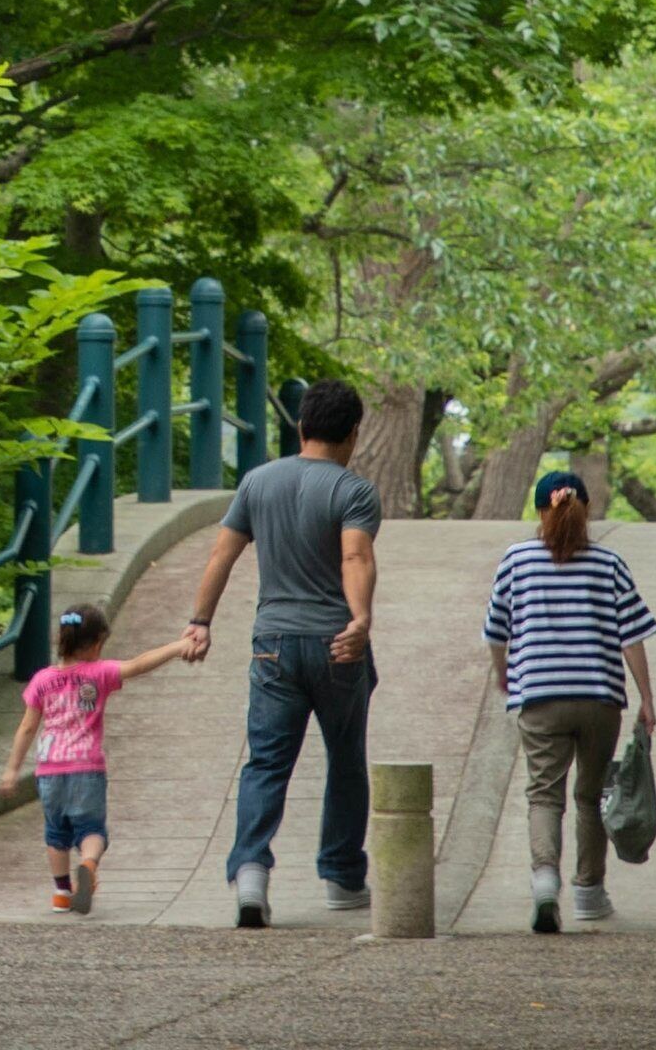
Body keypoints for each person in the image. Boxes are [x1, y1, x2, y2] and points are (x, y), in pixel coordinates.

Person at [176, 379, 381, 927]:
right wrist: (360, 619)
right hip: (337, 643)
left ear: (301, 426)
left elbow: (222, 555)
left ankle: (250, 874)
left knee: (266, 762)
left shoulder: (257, 482)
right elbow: (355, 557)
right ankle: (342, 876)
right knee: (345, 758)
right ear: (353, 433)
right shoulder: (354, 491)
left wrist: (200, 622)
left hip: (273, 647)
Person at [482, 469, 656, 934]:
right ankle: (589, 892)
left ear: (541, 511)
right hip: (599, 697)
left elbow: (496, 630)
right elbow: (632, 636)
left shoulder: (517, 559)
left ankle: (545, 881)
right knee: (591, 793)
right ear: (586, 511)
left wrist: (504, 675)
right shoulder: (609, 563)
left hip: (540, 696)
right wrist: (647, 698)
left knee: (545, 793)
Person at [0, 601, 190, 913]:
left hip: (49, 771)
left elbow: (27, 727)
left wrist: (11, 770)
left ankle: (61, 893)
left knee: (56, 833)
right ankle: (88, 864)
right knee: (91, 830)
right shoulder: (98, 674)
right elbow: (138, 664)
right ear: (97, 642)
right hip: (86, 767)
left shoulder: (42, 680)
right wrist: (177, 648)